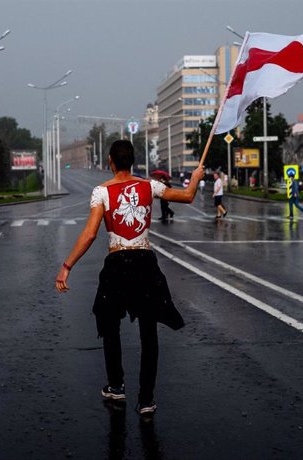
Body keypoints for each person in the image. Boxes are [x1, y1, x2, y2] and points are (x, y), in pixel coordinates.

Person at [55, 140, 205, 416]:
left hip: (117, 262)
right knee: (149, 332)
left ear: (111, 161)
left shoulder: (101, 192)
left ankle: (116, 385)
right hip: (145, 261)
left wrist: (67, 266)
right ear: (133, 161)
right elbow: (187, 197)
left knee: (109, 323)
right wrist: (194, 179)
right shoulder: (149, 186)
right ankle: (146, 400)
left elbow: (89, 234)